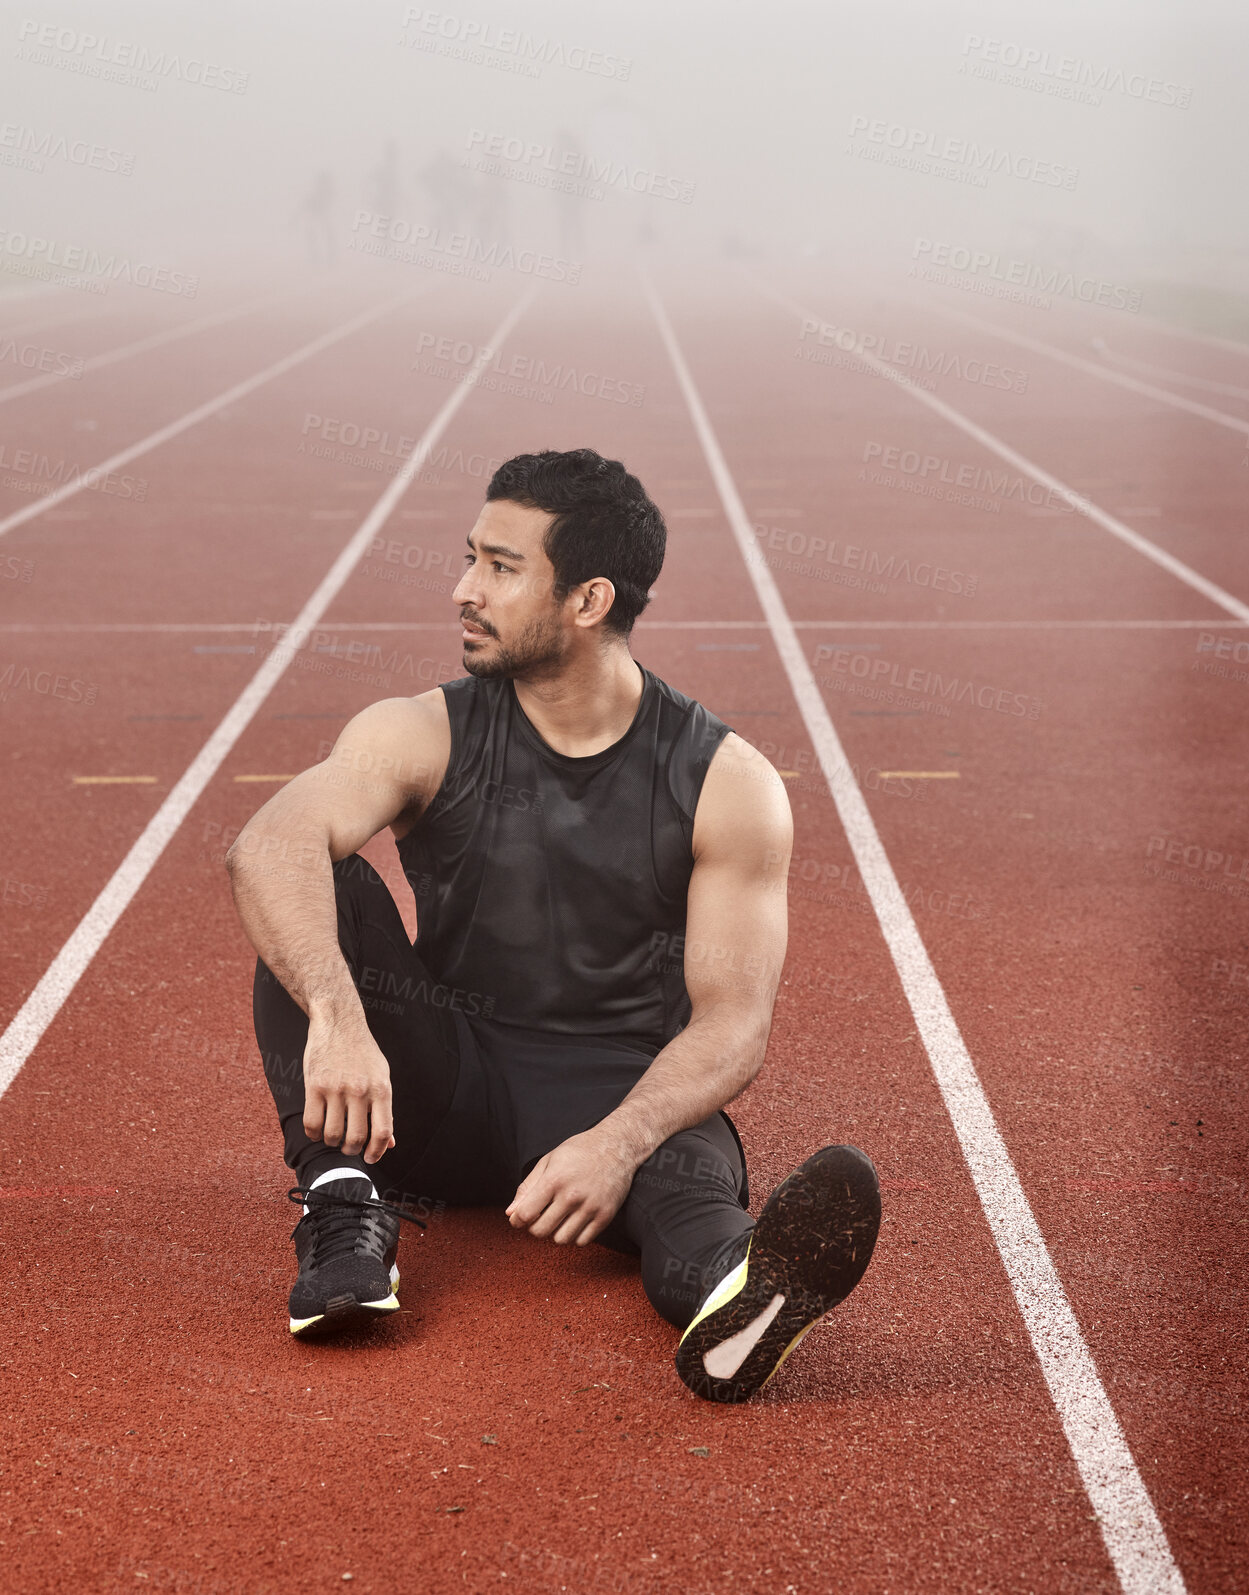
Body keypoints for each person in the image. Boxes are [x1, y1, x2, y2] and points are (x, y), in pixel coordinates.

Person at [227, 448, 881, 1403]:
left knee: (691, 1207)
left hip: (622, 1092)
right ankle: (341, 1201)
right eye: (469, 559)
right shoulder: (425, 731)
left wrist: (616, 1143)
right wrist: (337, 1012)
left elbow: (733, 1021)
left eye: (500, 567)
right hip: (441, 1090)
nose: (463, 590)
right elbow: (265, 845)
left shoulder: (725, 783)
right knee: (314, 880)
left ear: (586, 601)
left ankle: (740, 1297)